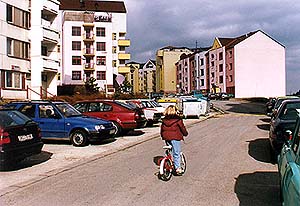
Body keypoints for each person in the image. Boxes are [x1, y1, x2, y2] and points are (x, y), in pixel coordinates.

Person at [160, 105, 188, 175]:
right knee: (176, 153)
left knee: (170, 151)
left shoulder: (164, 120)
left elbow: (162, 130)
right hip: (175, 138)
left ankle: (168, 161)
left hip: (166, 137)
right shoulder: (178, 119)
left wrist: (163, 136)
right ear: (175, 111)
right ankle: (178, 168)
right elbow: (182, 128)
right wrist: (185, 134)